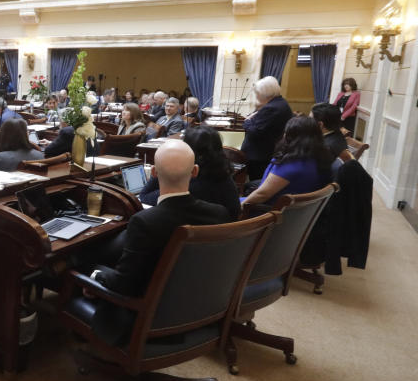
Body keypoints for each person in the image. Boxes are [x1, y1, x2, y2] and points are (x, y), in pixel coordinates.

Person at [84, 140, 230, 344]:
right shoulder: (219, 214)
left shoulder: (145, 222)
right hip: (197, 307)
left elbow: (124, 285)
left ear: (152, 172)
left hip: (147, 317)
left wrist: (96, 274)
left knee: (90, 267)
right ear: (195, 171)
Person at [138, 125, 241, 218]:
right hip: (225, 235)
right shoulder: (225, 176)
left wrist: (161, 166)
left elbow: (144, 197)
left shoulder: (189, 188)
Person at [243, 115, 334, 207]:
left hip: (271, 213)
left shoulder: (291, 164)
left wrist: (239, 208)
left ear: (289, 136)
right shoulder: (319, 157)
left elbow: (262, 195)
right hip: (298, 212)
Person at [241, 76, 293, 180]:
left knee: (256, 183)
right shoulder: (280, 103)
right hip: (266, 152)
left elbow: (254, 132)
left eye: (257, 94)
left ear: (265, 93)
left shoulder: (271, 108)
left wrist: (247, 122)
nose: (256, 96)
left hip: (260, 155)